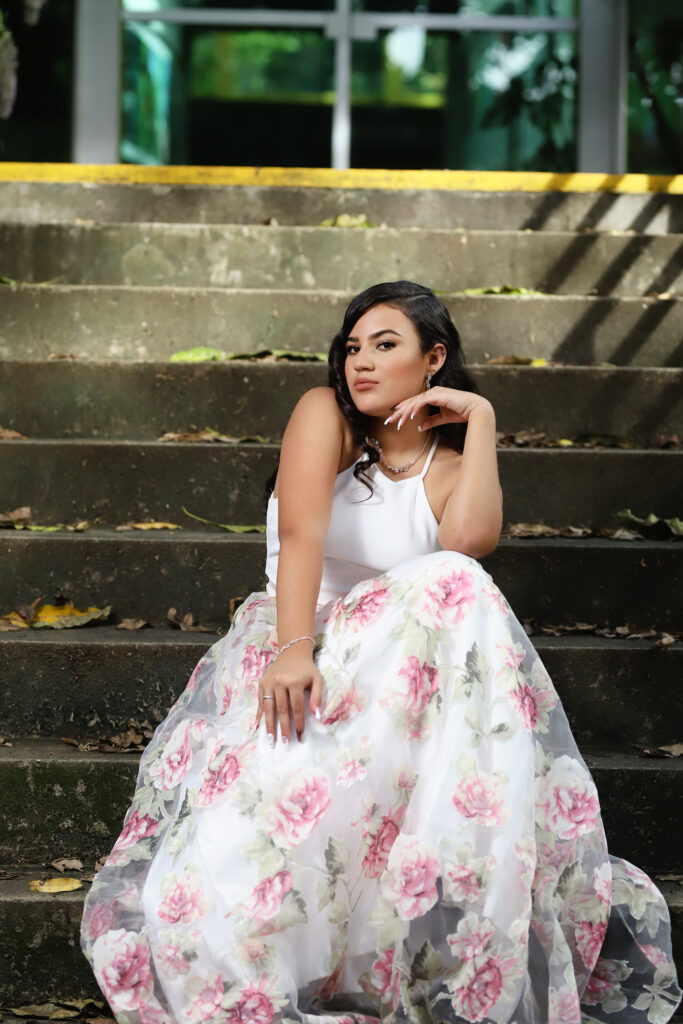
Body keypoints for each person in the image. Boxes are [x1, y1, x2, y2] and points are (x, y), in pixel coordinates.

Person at [81, 281, 681, 1024]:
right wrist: (293, 648)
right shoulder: (324, 414)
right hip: (301, 651)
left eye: (385, 344)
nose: (360, 361)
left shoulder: (449, 467)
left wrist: (483, 419)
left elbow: (470, 543)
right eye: (352, 347)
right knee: (224, 907)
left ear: (434, 359)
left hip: (400, 696)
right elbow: (300, 534)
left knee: (456, 579)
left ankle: (451, 902)